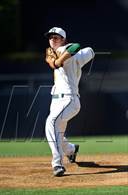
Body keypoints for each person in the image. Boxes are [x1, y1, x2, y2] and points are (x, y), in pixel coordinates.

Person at [44, 27, 95, 177]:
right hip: (55, 100)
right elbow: (51, 62)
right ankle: (71, 150)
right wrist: (56, 61)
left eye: (57, 37)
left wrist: (61, 59)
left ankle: (57, 163)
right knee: (57, 132)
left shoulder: (69, 50)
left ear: (63, 40)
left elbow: (80, 47)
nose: (53, 39)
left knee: (51, 123)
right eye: (51, 37)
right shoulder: (50, 52)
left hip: (69, 98)